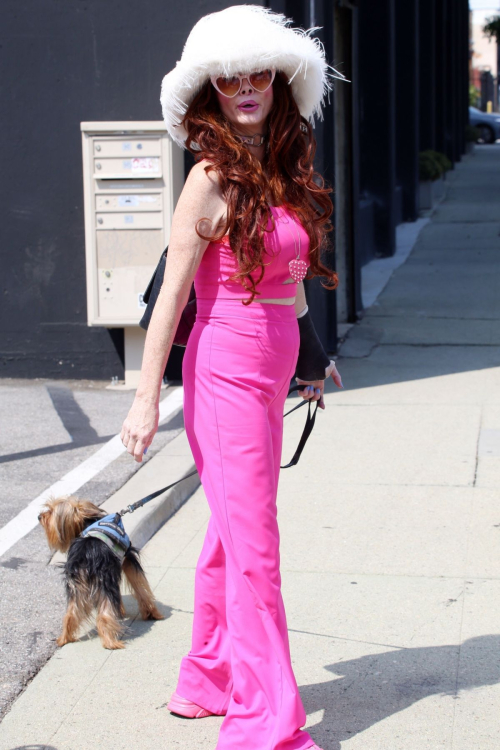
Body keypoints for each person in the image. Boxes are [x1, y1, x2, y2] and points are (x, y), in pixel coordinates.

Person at [120, 6, 348, 749]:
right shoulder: (209, 180)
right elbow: (172, 299)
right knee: (256, 548)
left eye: (257, 74)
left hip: (272, 364)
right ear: (209, 91)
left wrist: (310, 356)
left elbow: (290, 277)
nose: (245, 87)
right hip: (223, 374)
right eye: (228, 78)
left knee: (230, 533)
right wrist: (146, 398)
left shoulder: (283, 166)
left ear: (279, 83)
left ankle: (209, 679)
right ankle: (265, 725)